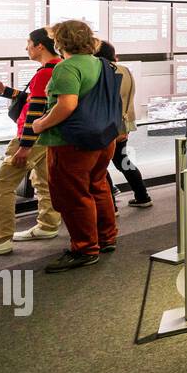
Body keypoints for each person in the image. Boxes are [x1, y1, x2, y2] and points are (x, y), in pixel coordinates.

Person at [33, 20, 121, 272]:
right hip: (104, 138)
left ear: (60, 42)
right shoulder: (101, 63)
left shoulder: (66, 68)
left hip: (72, 142)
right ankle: (106, 238)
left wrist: (40, 124)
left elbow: (67, 105)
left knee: (73, 195)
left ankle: (84, 248)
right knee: (98, 185)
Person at [0, 28, 63, 257]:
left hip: (31, 137)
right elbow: (37, 101)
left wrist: (24, 146)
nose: (27, 48)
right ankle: (48, 224)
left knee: (1, 185)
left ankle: (0, 238)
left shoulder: (45, 73)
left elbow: (35, 111)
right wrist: (6, 91)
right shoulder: (57, 68)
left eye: (29, 43)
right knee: (44, 181)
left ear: (40, 46)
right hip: (47, 137)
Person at [95, 41, 152, 208]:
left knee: (100, 165)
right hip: (124, 123)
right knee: (122, 161)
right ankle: (142, 196)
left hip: (107, 124)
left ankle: (110, 206)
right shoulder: (125, 70)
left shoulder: (103, 72)